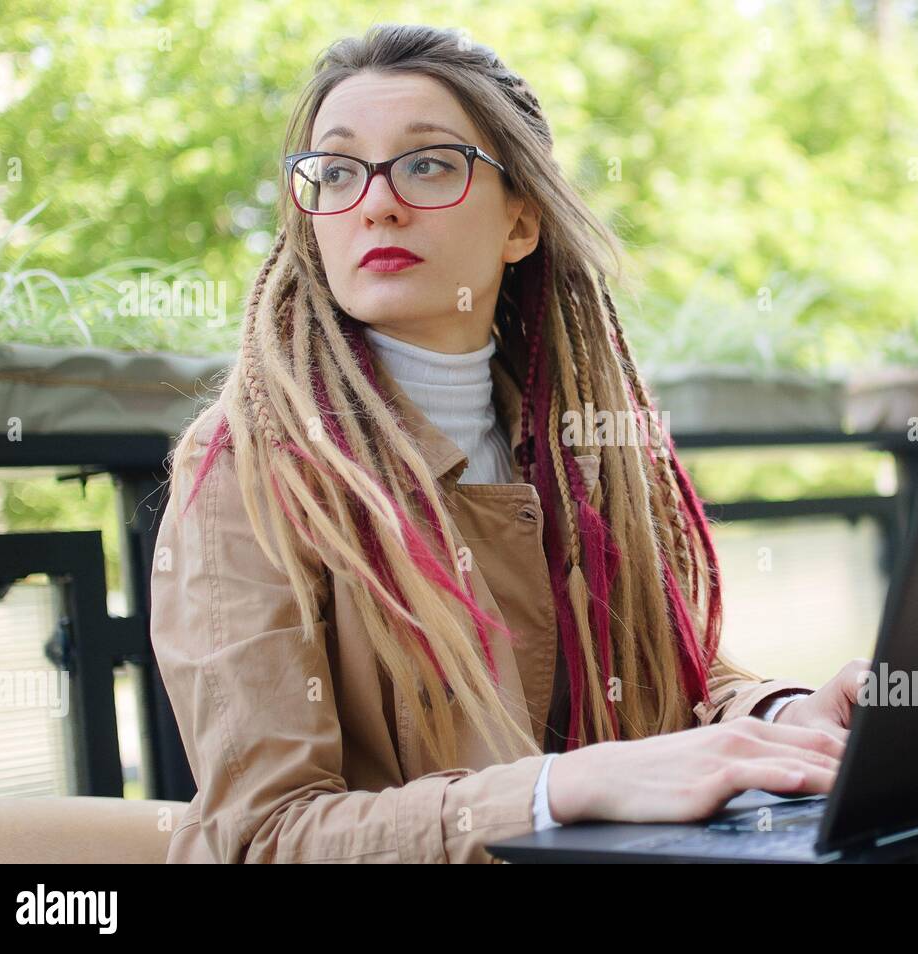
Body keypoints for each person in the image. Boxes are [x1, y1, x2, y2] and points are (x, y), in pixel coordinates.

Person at [149, 22, 863, 864]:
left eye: (428, 164)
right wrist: (560, 789)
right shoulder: (251, 470)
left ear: (520, 222)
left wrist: (785, 717)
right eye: (336, 171)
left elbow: (678, 700)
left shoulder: (590, 455)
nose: (376, 200)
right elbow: (262, 839)